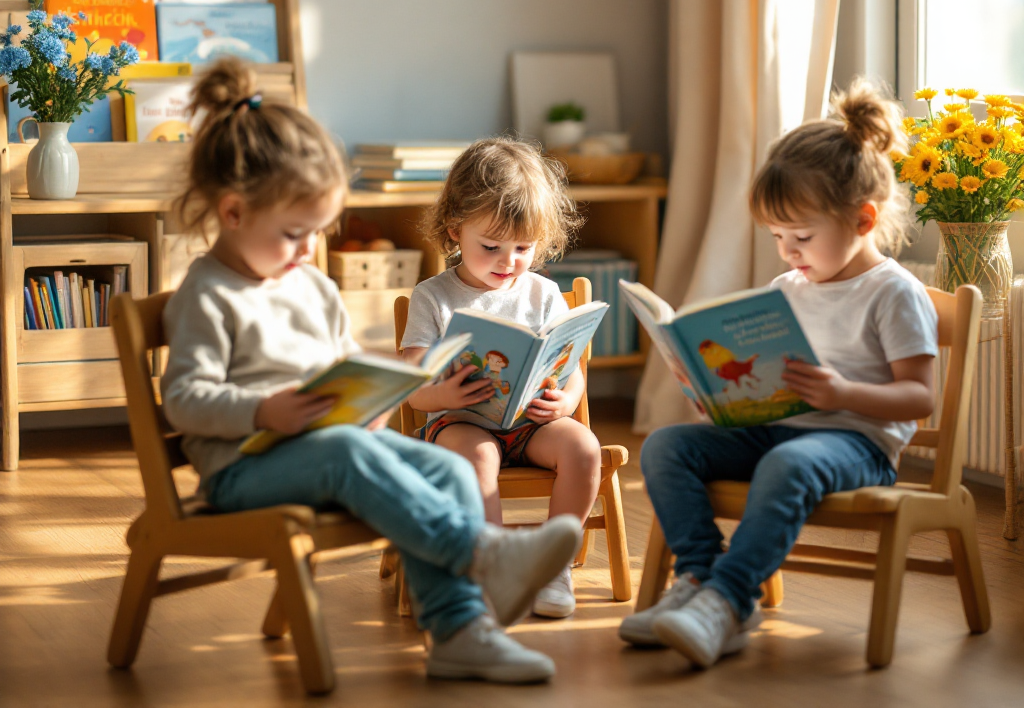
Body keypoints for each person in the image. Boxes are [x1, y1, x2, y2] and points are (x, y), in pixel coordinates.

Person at [160, 59, 581, 684]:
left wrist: (376, 396)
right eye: (295, 234)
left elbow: (340, 370)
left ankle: (460, 630)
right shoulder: (208, 293)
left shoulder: (308, 285)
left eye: (317, 233)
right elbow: (183, 400)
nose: (309, 252)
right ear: (232, 214)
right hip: (244, 467)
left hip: (323, 446)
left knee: (443, 467)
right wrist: (261, 409)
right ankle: (486, 556)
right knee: (344, 454)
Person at [620, 80, 939, 668]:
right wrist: (716, 394)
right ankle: (698, 579)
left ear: (864, 219)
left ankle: (729, 599)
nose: (789, 253)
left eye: (803, 237)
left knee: (787, 462)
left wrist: (844, 392)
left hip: (856, 442)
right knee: (667, 446)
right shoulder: (785, 289)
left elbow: (919, 397)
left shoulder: (893, 292)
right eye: (777, 238)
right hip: (777, 428)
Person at [402, 137, 602, 620]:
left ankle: (552, 565)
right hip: (460, 423)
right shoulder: (434, 297)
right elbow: (410, 378)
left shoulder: (544, 293)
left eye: (524, 248)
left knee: (584, 448)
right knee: (477, 456)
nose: (508, 261)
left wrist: (566, 402)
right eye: (490, 246)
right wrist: (442, 391)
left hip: (532, 422)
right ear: (455, 230)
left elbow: (570, 369)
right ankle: (497, 566)